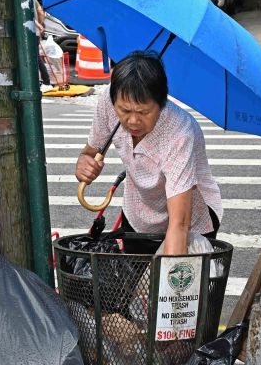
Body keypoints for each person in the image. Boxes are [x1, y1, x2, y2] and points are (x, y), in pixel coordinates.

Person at [75, 51, 223, 255]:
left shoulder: (179, 131)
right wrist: (84, 164)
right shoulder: (108, 103)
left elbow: (180, 224)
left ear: (161, 104)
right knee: (134, 283)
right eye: (124, 111)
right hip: (139, 213)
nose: (133, 121)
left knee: (176, 282)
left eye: (144, 112)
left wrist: (168, 282)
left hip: (190, 218)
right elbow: (89, 153)